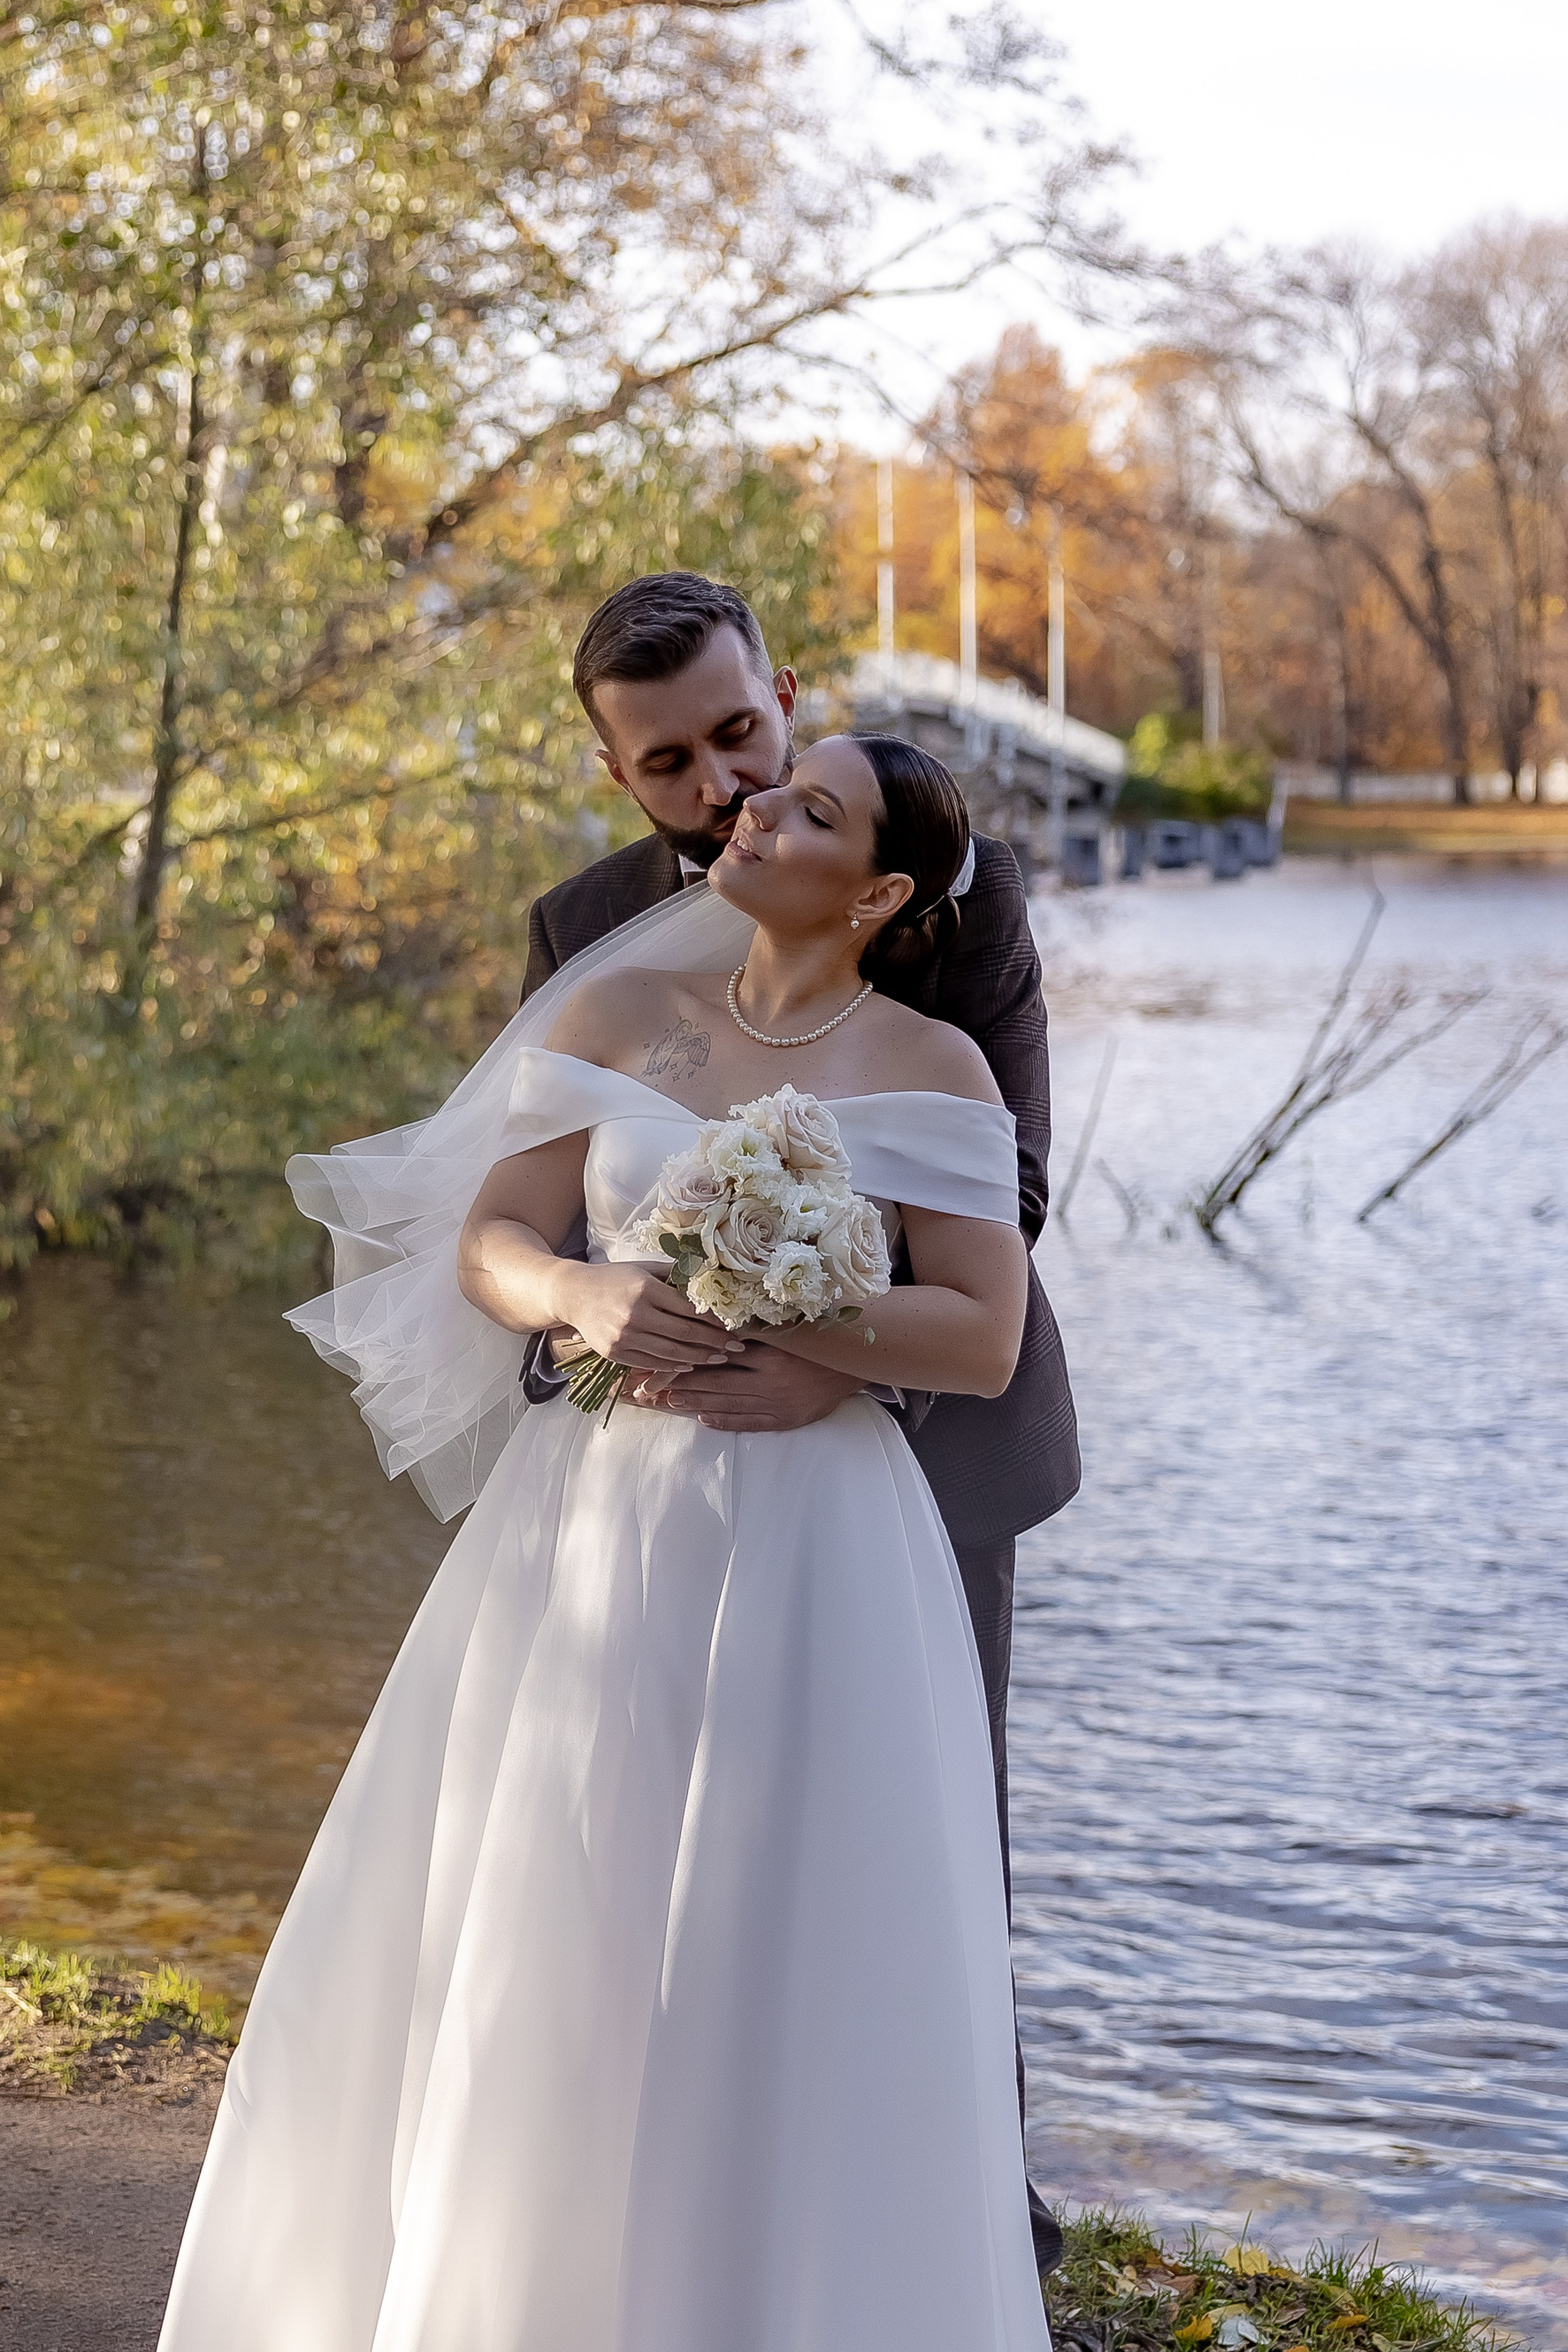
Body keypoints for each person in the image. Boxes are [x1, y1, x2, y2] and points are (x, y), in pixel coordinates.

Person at [156, 729, 1055, 2351]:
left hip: (817, 1540)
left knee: (781, 1915)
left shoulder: (935, 1066)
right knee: (566, 1894)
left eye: (811, 810)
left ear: (878, 895)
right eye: (771, 788)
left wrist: (793, 1313)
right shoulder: (619, 1011)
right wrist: (580, 1289)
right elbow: (492, 1241)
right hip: (595, 1516)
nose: (753, 807)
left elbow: (983, 1335)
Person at [524, 570, 1080, 2272]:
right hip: (656, 1440)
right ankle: (659, 2200)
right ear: (619, 770)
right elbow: (548, 1203)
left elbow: (1008, 1185)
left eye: (738, 736)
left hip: (923, 1438)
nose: (721, 789)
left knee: (925, 1813)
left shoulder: (955, 887)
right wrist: (618, 1332)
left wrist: (835, 1352)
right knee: (633, 1821)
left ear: (785, 692)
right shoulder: (583, 933)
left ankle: (963, 2215)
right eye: (668, 764)